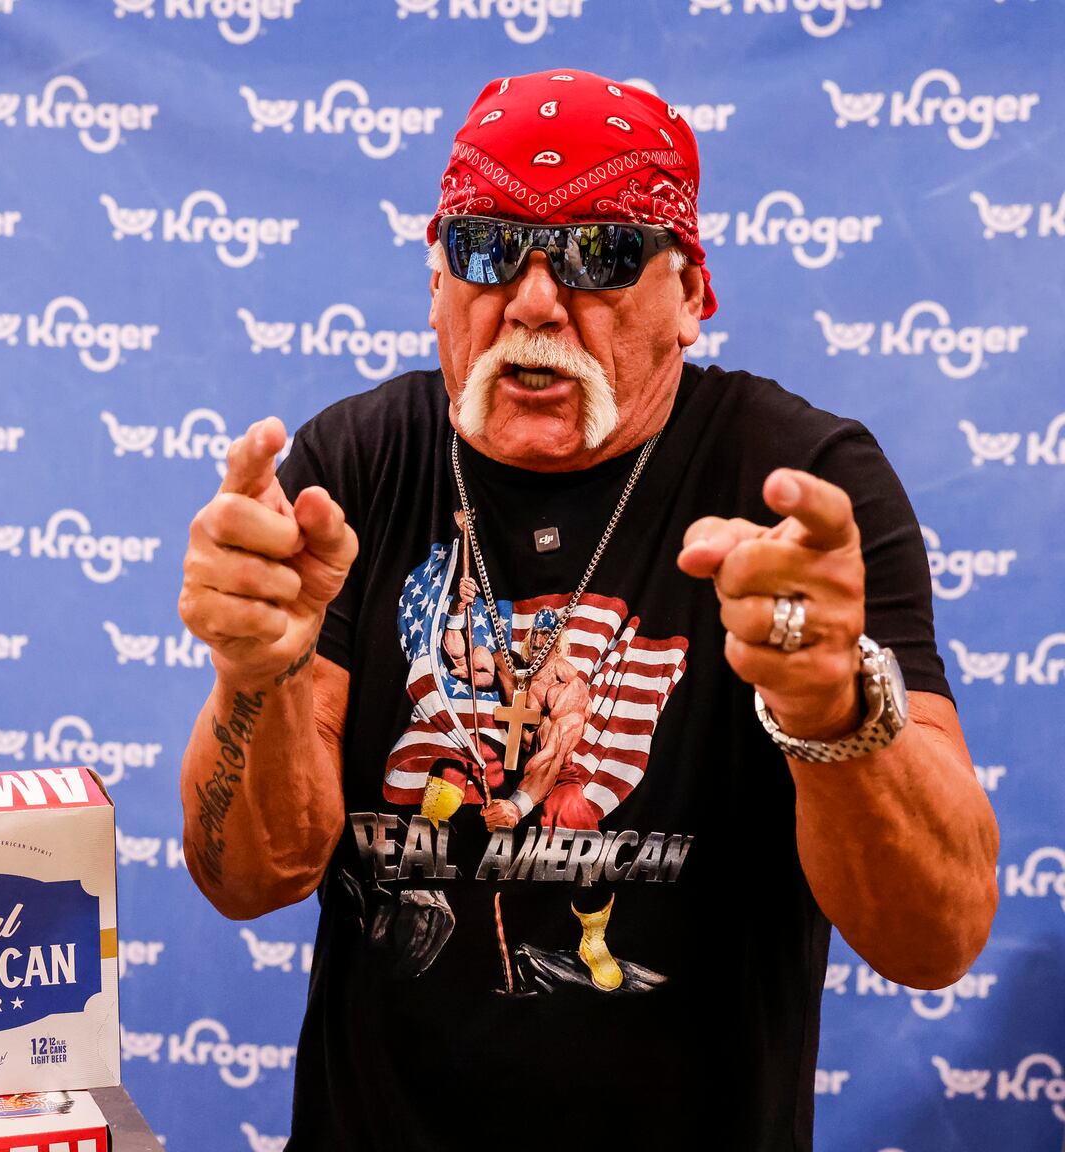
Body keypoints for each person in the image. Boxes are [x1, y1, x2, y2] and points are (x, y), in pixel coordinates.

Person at [177, 68, 998, 1150]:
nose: (529, 301)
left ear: (692, 296)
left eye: (599, 254)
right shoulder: (353, 470)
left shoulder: (794, 484)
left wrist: (829, 708)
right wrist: (257, 673)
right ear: (433, 282)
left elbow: (934, 939)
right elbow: (247, 877)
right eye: (483, 250)